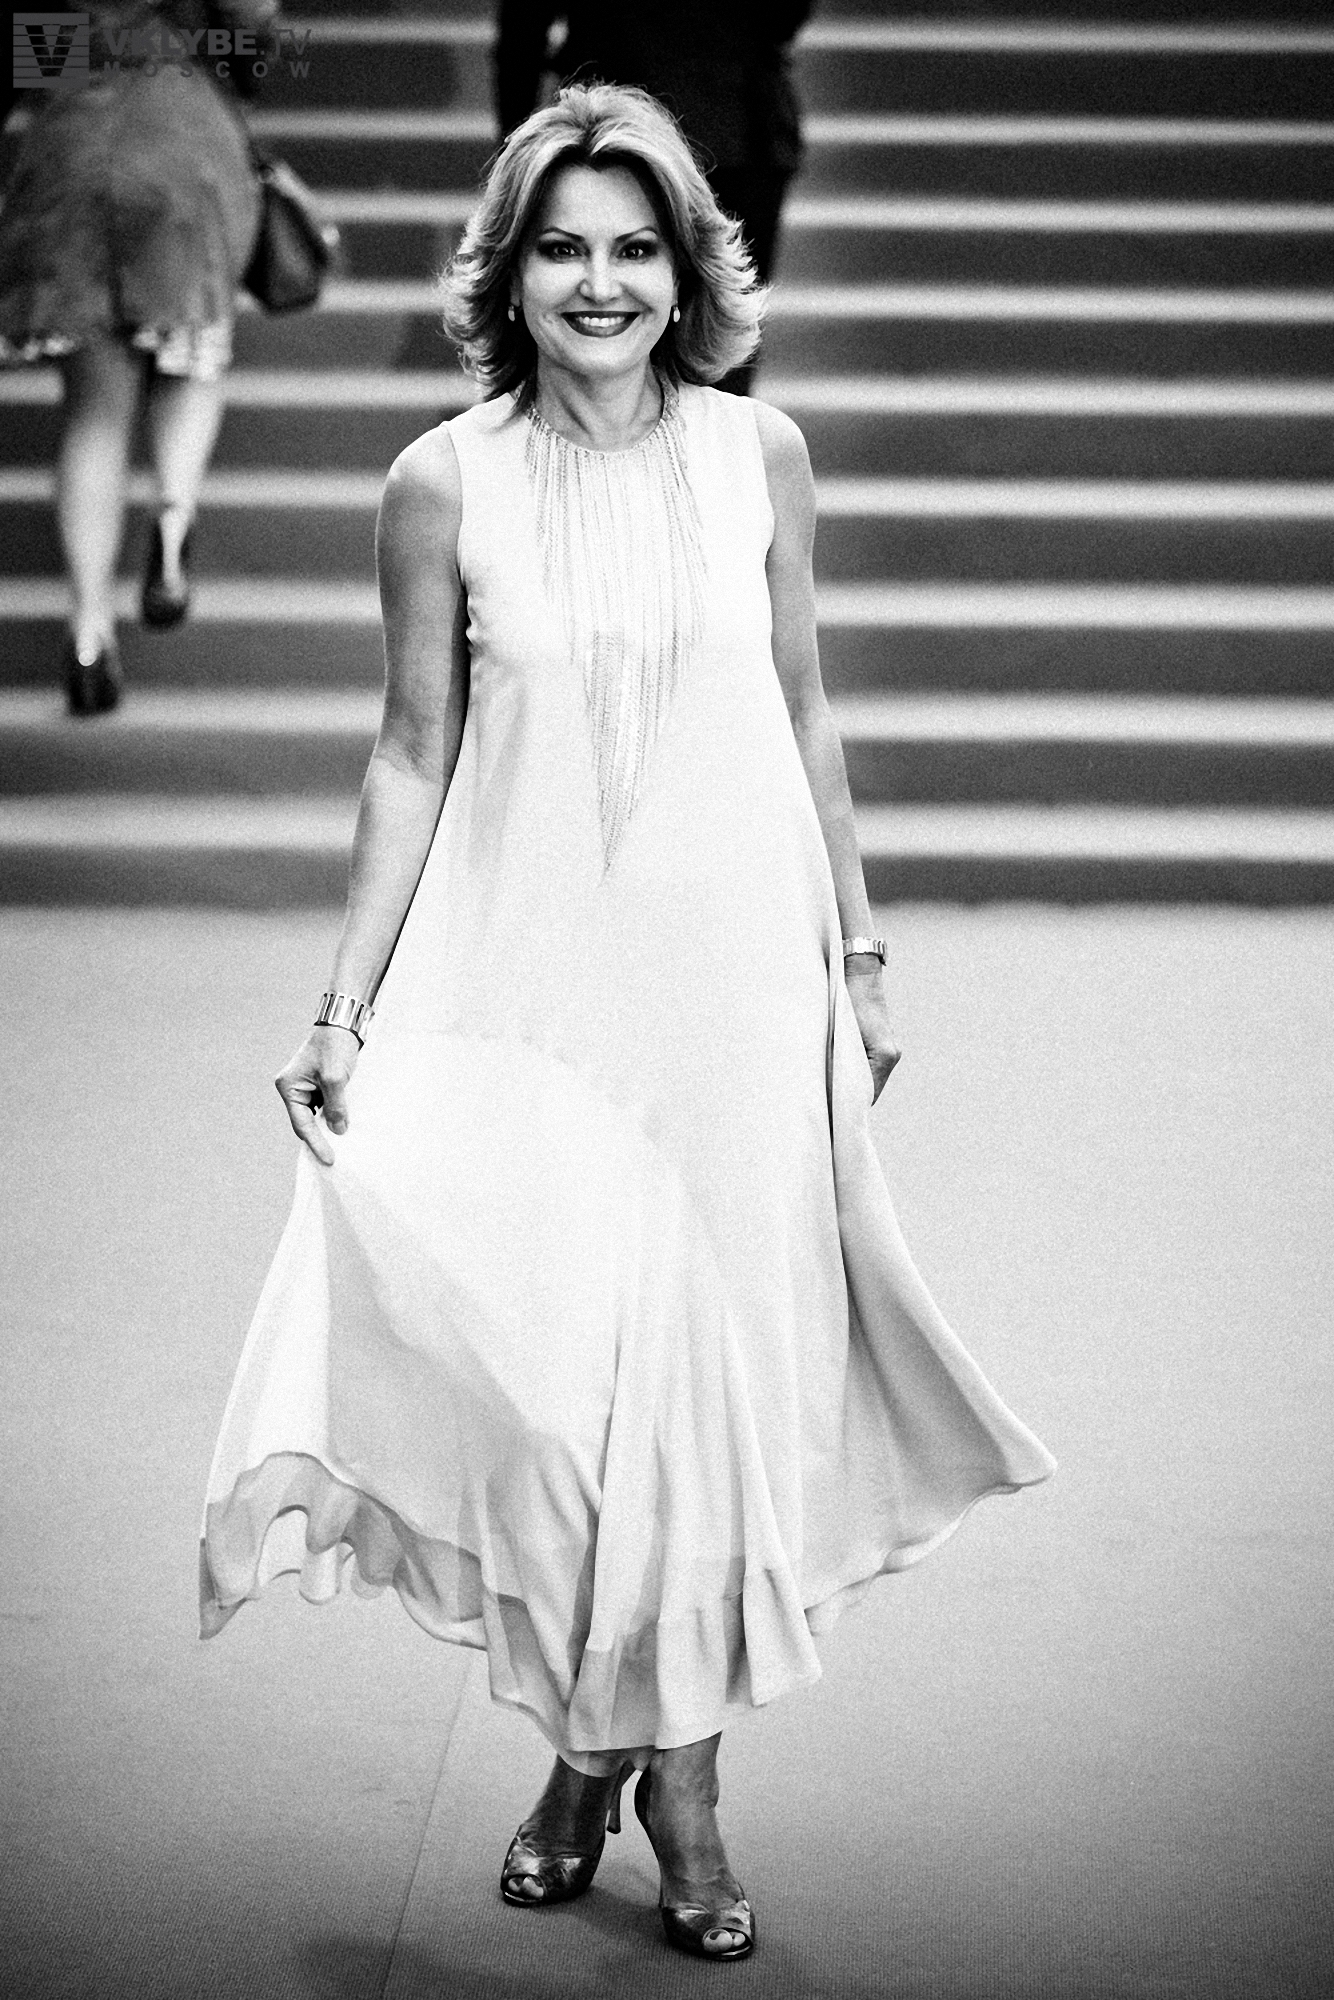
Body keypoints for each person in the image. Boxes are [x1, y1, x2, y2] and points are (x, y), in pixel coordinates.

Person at [199, 84, 1055, 1964]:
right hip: (521, 997)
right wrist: (343, 1004)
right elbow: (409, 750)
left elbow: (804, 708)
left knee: (702, 1394)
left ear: (686, 269)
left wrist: (856, 955)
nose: (600, 283)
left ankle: (661, 1783)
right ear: (508, 275)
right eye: (563, 249)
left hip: (733, 993)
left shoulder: (763, 454)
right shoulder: (442, 481)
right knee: (550, 1398)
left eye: (635, 247)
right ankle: (608, 1757)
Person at [0, 2, 274, 714]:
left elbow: (32, 52)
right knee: (195, 353)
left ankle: (89, 631)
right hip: (181, 138)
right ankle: (173, 520)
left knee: (94, 412)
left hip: (72, 150)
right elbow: (251, 27)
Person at [495, 1, 812, 390]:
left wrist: (516, 157)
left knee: (718, 335)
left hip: (629, 110)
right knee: (719, 340)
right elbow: (784, 15)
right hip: (718, 120)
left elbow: (523, 29)